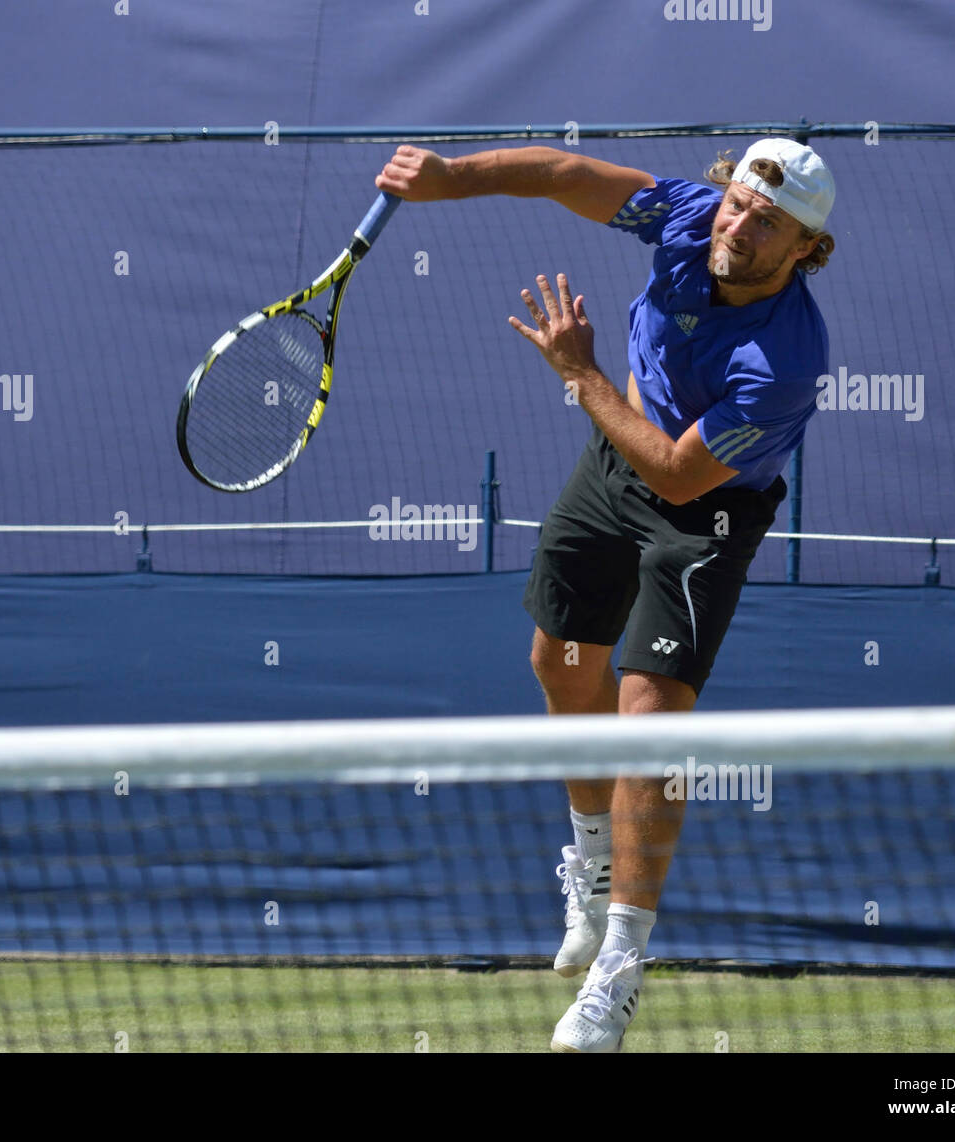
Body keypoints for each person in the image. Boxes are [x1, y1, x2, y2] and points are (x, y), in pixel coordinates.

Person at [376, 138, 836, 1052]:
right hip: (612, 463)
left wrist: (580, 374)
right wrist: (451, 179)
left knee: (648, 720)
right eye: (740, 204)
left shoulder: (784, 361)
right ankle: (591, 870)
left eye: (769, 224)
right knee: (559, 660)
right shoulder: (688, 218)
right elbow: (563, 175)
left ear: (804, 252)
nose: (739, 227)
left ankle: (620, 967)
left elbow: (674, 476)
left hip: (701, 510)